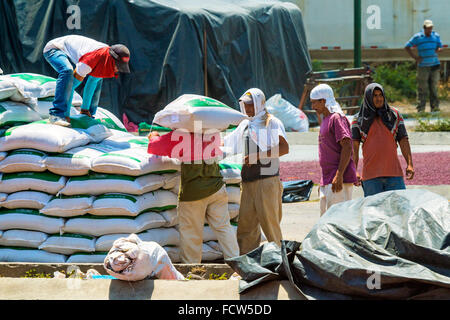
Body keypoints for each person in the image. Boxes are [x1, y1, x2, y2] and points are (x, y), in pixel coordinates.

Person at [148, 131, 239, 264]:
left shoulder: (180, 135)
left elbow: (154, 147)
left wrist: (153, 136)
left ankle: (192, 269)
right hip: (217, 188)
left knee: (191, 234)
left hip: (193, 193)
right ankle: (237, 263)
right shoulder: (211, 133)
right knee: (224, 228)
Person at [223, 88, 289, 255]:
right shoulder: (246, 124)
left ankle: (281, 263)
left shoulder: (272, 122)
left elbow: (284, 148)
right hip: (248, 183)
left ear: (260, 103)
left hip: (266, 181)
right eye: (245, 105)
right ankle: (247, 264)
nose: (248, 109)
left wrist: (258, 156)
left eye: (251, 105)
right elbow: (227, 144)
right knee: (246, 228)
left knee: (270, 226)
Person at [43, 35, 130, 126]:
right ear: (111, 60)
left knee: (97, 80)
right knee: (67, 72)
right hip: (55, 49)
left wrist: (85, 110)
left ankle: (89, 114)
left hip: (72, 52)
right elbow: (71, 87)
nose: (118, 69)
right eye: (117, 65)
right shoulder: (89, 61)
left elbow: (92, 83)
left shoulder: (105, 59)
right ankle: (57, 115)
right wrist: (66, 116)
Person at [351, 83, 415, 197]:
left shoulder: (394, 115)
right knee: (374, 213)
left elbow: (403, 140)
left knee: (398, 211)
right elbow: (354, 148)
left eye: (381, 95)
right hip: (371, 177)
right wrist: (354, 171)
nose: (378, 99)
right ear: (368, 98)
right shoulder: (358, 120)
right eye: (374, 96)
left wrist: (410, 164)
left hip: (394, 175)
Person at [309, 84, 357, 216]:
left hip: (338, 180)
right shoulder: (326, 119)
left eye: (314, 103)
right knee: (327, 220)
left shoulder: (336, 118)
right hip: (328, 178)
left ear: (323, 101)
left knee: (338, 220)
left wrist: (339, 174)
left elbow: (347, 145)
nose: (313, 107)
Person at [404, 19, 443, 113]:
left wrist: (438, 49)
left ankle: (435, 108)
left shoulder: (436, 36)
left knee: (433, 87)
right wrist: (415, 57)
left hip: (434, 65)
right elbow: (407, 46)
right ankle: (421, 109)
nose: (430, 30)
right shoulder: (418, 37)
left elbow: (440, 46)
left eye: (431, 28)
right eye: (428, 28)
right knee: (422, 88)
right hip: (423, 66)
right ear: (424, 28)